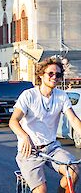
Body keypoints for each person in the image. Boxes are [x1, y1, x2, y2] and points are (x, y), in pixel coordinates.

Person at [9, 56, 81, 193]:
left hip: (52, 148)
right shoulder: (28, 95)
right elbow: (13, 121)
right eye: (51, 73)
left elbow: (73, 120)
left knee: (73, 171)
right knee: (41, 190)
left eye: (58, 75)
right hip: (30, 151)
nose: (54, 77)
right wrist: (24, 137)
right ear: (41, 75)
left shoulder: (61, 96)